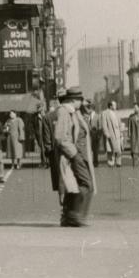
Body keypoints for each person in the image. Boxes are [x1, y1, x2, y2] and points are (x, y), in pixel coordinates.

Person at [52, 87, 95, 226]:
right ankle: (76, 215)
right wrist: (74, 153)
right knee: (86, 184)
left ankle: (68, 216)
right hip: (72, 155)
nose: (81, 103)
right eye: (79, 100)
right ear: (73, 100)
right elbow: (59, 137)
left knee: (74, 185)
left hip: (77, 155)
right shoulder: (64, 112)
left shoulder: (73, 112)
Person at [101, 100, 123, 168]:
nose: (116, 106)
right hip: (110, 134)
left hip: (117, 134)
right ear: (110, 106)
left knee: (119, 150)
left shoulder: (117, 113)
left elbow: (120, 123)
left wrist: (121, 132)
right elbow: (104, 124)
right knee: (110, 150)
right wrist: (106, 133)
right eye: (114, 105)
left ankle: (118, 162)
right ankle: (111, 162)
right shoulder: (105, 113)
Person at [33, 102, 51, 168]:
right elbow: (34, 127)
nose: (39, 109)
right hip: (39, 135)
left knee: (47, 148)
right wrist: (35, 136)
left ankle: (48, 162)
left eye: (40, 107)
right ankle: (44, 162)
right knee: (42, 149)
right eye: (38, 108)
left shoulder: (47, 115)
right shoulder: (35, 117)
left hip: (46, 134)